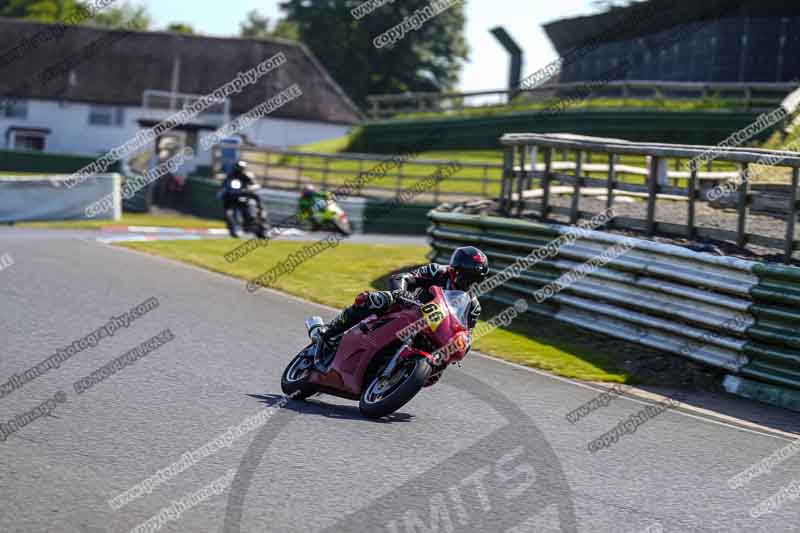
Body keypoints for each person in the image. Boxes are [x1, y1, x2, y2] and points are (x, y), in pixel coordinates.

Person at [316, 246, 489, 349]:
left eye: (474, 280)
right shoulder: (436, 271)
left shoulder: (473, 307)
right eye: (466, 276)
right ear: (455, 269)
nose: (468, 282)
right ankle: (330, 330)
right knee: (375, 299)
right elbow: (402, 277)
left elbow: (466, 333)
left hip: (433, 330)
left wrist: (462, 345)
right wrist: (401, 292)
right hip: (407, 308)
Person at [219, 161, 264, 237]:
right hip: (232, 196)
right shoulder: (230, 175)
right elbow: (224, 185)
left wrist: (249, 188)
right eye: (238, 168)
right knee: (228, 212)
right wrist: (224, 191)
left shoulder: (247, 175)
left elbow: (256, 185)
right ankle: (233, 229)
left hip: (244, 195)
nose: (239, 170)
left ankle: (261, 218)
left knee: (255, 200)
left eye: (241, 168)